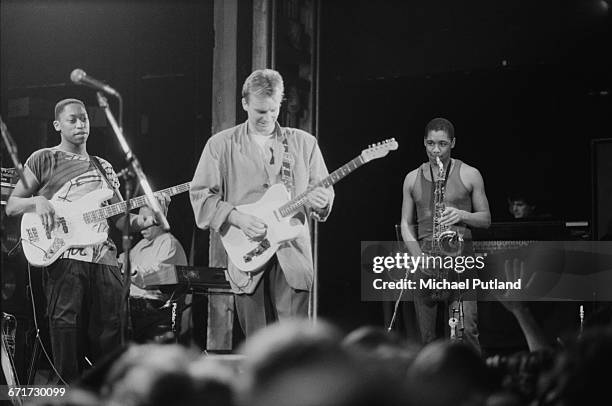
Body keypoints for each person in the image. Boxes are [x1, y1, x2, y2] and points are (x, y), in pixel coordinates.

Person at [5, 98, 160, 383]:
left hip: (104, 260)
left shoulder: (103, 166)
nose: (80, 124)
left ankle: (108, 394)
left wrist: (143, 221)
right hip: (64, 258)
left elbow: (120, 218)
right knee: (65, 332)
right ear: (57, 125)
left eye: (85, 119)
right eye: (72, 119)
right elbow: (13, 205)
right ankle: (68, 395)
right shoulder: (43, 158)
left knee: (112, 333)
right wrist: (37, 201)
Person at [190, 69, 334, 337]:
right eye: (259, 112)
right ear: (245, 103)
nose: (267, 118)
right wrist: (237, 218)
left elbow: (322, 198)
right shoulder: (220, 145)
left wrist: (323, 201)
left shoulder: (304, 143)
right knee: (257, 349)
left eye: (273, 110)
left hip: (293, 256)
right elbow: (201, 197)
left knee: (295, 348)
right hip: (248, 259)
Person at [400, 117, 491, 352]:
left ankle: (472, 384)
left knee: (466, 333)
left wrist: (462, 214)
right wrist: (419, 257)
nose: (436, 151)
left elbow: (486, 219)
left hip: (460, 259)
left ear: (453, 143)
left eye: (442, 144)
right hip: (426, 259)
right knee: (425, 339)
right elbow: (405, 223)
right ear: (424, 143)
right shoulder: (411, 177)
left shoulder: (471, 174)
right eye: (430, 144)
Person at [122, 206, 188, 343]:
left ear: (159, 220)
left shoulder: (169, 243)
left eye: (146, 221)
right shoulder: (141, 244)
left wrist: (127, 269)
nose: (142, 226)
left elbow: (152, 278)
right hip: (135, 307)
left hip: (155, 310)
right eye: (140, 222)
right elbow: (121, 260)